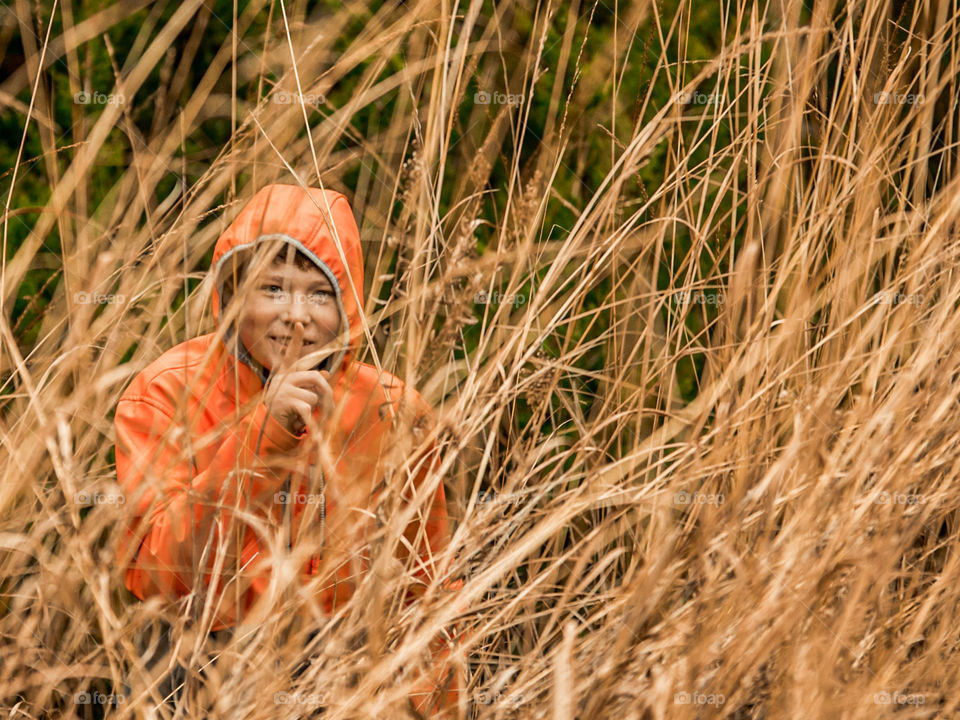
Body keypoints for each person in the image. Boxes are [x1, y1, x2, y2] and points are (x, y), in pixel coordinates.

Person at [114, 183, 461, 716]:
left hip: (339, 663)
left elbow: (426, 579)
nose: (296, 314)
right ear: (232, 296)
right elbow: (161, 573)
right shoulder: (164, 392)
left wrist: (434, 705)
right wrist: (265, 433)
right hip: (198, 655)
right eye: (272, 289)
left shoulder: (391, 408)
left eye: (320, 294)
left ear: (348, 305)